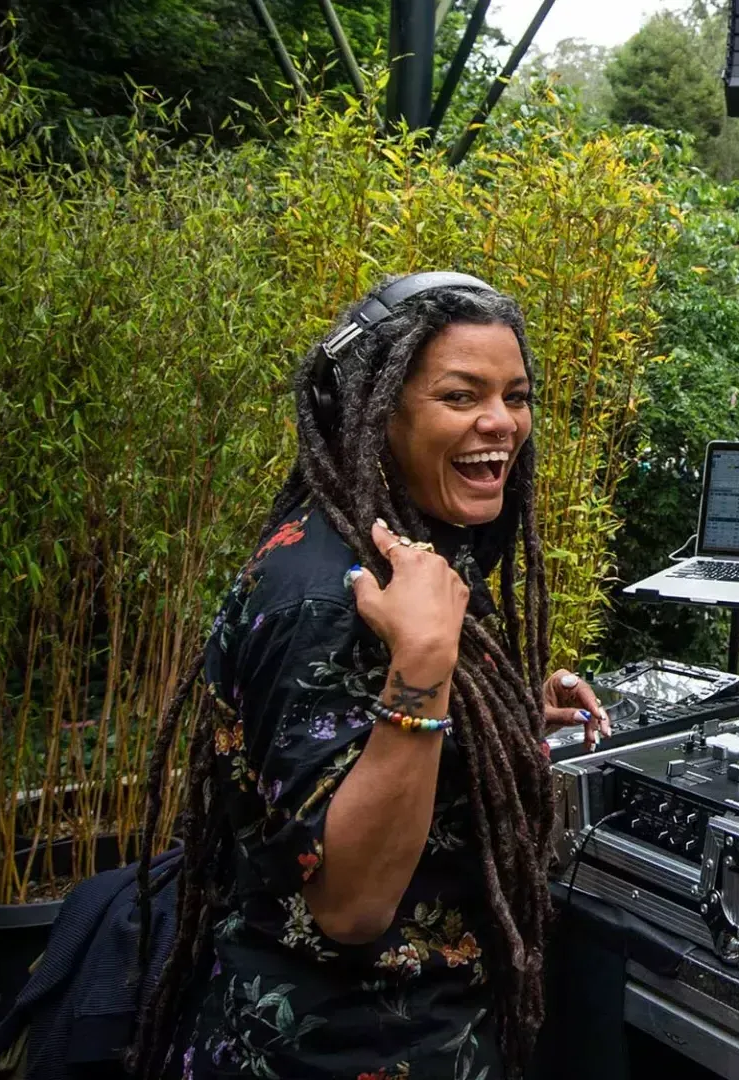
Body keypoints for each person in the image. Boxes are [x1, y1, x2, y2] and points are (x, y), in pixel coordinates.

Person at [133, 277, 611, 1078]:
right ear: (376, 409)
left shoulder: (398, 543)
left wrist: (492, 709)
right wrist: (426, 668)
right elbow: (351, 907)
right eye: (461, 395)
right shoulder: (324, 596)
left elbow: (350, 754)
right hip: (330, 1049)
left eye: (515, 395)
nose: (500, 422)